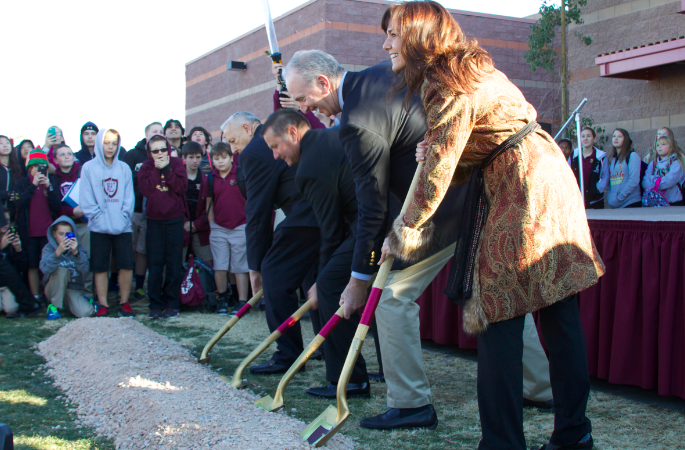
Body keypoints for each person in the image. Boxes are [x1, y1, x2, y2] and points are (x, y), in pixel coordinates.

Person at [378, 3, 604, 449]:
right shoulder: (468, 69)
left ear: (419, 35)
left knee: (499, 315)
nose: (385, 44)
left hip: (523, 186)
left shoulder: (447, 80)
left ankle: (503, 443)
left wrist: (404, 230)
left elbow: (440, 170)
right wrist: (443, 151)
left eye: (392, 34)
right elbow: (471, 149)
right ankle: (574, 436)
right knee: (558, 314)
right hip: (543, 176)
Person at [263, 109, 371, 397]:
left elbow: (331, 231)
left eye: (276, 146)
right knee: (329, 285)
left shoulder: (308, 168)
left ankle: (348, 381)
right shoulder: (330, 136)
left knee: (329, 287)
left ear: (293, 133)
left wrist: (319, 281)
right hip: (371, 217)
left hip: (371, 223)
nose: (275, 155)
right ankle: (351, 378)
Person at [228, 111, 322, 373]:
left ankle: (288, 355)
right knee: (313, 277)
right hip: (315, 210)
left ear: (247, 128)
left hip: (307, 211)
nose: (233, 150)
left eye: (233, 140)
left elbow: (258, 211)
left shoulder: (254, 150)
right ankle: (323, 344)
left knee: (275, 275)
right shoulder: (260, 147)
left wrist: (256, 266)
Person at [80, 129, 135, 317]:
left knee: (126, 265)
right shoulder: (88, 168)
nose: (110, 147)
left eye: (114, 143)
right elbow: (86, 198)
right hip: (98, 226)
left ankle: (124, 303)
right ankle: (103, 304)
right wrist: (97, 217)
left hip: (122, 226)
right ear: (98, 144)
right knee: (100, 266)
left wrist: (122, 217)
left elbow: (129, 198)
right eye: (106, 143)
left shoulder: (124, 168)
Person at [138, 135, 188, 319]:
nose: (160, 154)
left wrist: (166, 169)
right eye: (155, 151)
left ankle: (172, 303)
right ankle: (155, 305)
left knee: (174, 264)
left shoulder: (176, 164)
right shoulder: (145, 167)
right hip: (154, 221)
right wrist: (155, 169)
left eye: (163, 149)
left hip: (174, 220)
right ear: (149, 153)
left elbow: (181, 188)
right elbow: (146, 190)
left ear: (168, 149)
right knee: (156, 264)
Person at [122, 122, 164, 301]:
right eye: (154, 132)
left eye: (161, 132)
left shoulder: (165, 156)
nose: (158, 134)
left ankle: (139, 287)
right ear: (146, 136)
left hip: (150, 213)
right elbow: (124, 178)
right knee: (127, 250)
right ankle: (122, 287)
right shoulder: (132, 155)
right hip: (131, 210)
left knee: (142, 251)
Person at [13, 148, 62, 298]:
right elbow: (19, 203)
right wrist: (33, 185)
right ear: (30, 168)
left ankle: (49, 295)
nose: (39, 170)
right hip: (29, 232)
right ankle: (35, 296)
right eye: (36, 166)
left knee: (48, 265)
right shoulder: (22, 183)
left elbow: (57, 207)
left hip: (48, 232)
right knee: (32, 266)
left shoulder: (51, 182)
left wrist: (49, 187)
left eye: (43, 166)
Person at [205, 142, 247, 315]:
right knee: (220, 266)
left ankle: (243, 302)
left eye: (224, 157)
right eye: (216, 158)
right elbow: (209, 203)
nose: (220, 162)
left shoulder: (240, 174)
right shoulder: (210, 178)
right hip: (219, 228)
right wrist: (212, 224)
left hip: (240, 226)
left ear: (231, 157)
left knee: (240, 267)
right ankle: (221, 298)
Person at [51, 145, 93, 298]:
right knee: (66, 260)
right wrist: (71, 212)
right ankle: (67, 295)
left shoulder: (83, 172)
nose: (67, 156)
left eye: (69, 153)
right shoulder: (54, 180)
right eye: (62, 154)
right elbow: (55, 206)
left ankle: (87, 294)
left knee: (85, 258)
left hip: (84, 225)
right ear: (56, 160)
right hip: (65, 226)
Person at [39, 216, 95, 319]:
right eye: (61, 234)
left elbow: (85, 269)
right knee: (61, 271)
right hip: (52, 289)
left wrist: (76, 253)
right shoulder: (48, 248)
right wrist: (57, 253)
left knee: (86, 313)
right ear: (54, 234)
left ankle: (80, 301)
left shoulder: (78, 247)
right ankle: (54, 306)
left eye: (68, 234)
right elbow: (44, 269)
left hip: (72, 289)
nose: (64, 238)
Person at [0, 205, 41, 318]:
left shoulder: (13, 235)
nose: (5, 224)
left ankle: (27, 304)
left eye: (7, 221)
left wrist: (18, 250)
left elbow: (22, 268)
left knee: (10, 308)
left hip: (7, 285)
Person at [181, 141, 212, 266]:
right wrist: (184, 223)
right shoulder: (177, 178)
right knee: (176, 265)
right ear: (184, 158)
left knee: (207, 263)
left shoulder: (206, 180)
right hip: (181, 229)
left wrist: (196, 224)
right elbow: (175, 204)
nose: (195, 161)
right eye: (191, 157)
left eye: (198, 157)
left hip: (200, 229)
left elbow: (208, 207)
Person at [569, 127, 608, 209]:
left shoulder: (601, 157)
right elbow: (567, 173)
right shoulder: (574, 155)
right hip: (576, 201)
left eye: (588, 136)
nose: (585, 138)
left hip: (595, 201)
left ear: (594, 139)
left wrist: (598, 189)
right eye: (583, 136)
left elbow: (605, 176)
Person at [642, 135, 685, 206]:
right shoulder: (653, 163)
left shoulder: (675, 162)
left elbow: (670, 180)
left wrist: (653, 180)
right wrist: (653, 186)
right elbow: (645, 181)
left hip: (673, 202)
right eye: (658, 145)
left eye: (663, 144)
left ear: (671, 147)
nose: (659, 147)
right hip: (656, 202)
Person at [606, 128, 642, 208]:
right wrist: (610, 198)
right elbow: (609, 182)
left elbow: (634, 181)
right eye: (614, 136)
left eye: (620, 136)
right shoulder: (613, 159)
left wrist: (620, 197)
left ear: (626, 139)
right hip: (616, 205)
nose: (616, 138)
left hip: (630, 203)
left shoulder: (633, 156)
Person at [1, 135, 23, 221]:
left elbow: (20, 193)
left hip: (13, 216)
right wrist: (8, 194)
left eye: (7, 143)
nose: (5, 145)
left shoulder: (17, 169)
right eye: (1, 143)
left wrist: (16, 196)